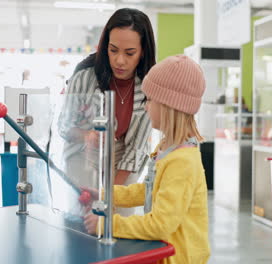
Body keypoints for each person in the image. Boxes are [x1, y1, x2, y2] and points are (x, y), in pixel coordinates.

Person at [83, 55, 211, 263]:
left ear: (170, 106)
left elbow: (160, 225)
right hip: (165, 252)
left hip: (179, 258)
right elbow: (148, 191)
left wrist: (108, 224)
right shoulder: (167, 149)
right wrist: (106, 194)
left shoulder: (182, 161)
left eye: (150, 100)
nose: (145, 107)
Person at [57, 8, 156, 213]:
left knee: (119, 219)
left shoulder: (150, 87)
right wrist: (87, 135)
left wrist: (111, 197)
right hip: (82, 155)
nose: (119, 60)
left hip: (124, 160)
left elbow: (136, 149)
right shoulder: (83, 78)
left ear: (143, 51)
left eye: (130, 53)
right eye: (113, 50)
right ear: (105, 47)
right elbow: (63, 127)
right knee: (84, 217)